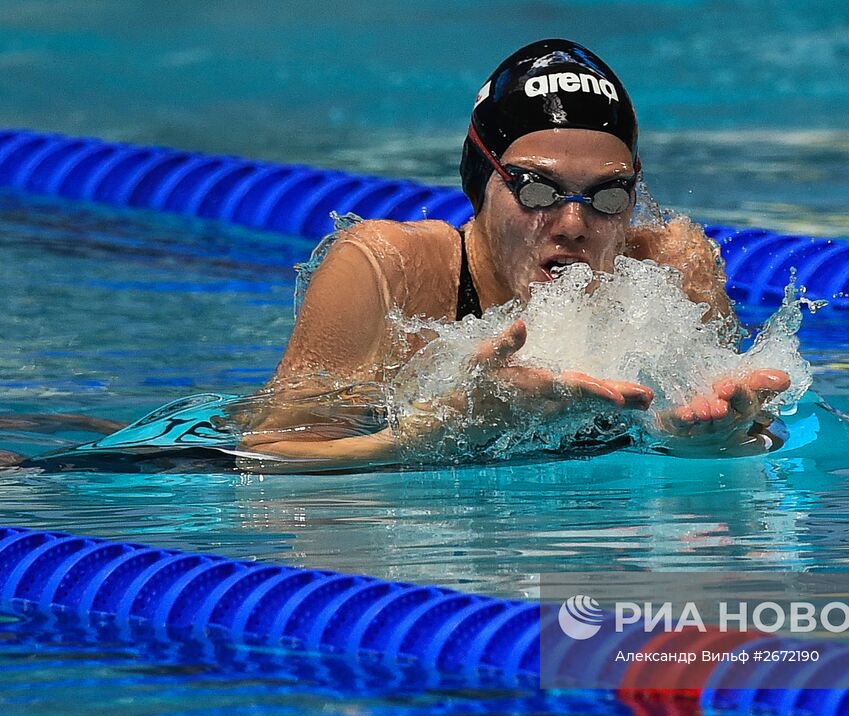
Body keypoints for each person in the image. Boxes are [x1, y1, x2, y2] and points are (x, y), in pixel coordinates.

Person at [239, 39, 790, 473]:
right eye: (537, 191)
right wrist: (432, 435)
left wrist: (714, 442)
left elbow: (752, 427)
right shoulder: (389, 272)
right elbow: (263, 462)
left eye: (608, 195)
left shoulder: (671, 271)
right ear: (481, 183)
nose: (574, 225)